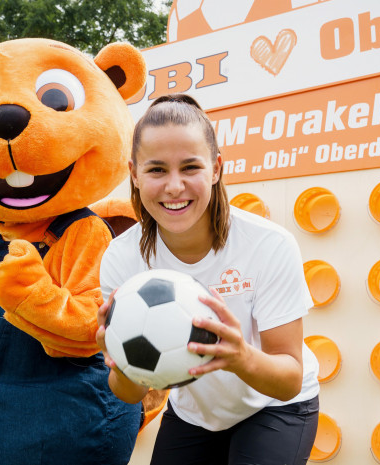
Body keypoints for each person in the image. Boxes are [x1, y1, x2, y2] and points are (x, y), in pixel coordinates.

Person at [96, 93, 320, 465]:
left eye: (190, 167)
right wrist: (121, 361)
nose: (174, 186)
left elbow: (289, 380)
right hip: (196, 413)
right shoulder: (122, 257)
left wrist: (239, 356)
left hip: (275, 407)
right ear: (134, 174)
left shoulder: (268, 244)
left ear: (216, 169)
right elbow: (129, 394)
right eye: (156, 170)